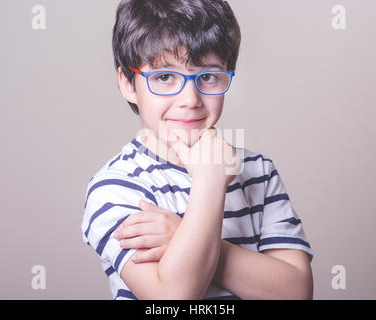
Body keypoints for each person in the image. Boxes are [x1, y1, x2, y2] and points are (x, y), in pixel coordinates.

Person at [81, 0, 314, 300]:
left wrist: (181, 236)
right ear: (128, 83)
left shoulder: (258, 171)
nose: (190, 99)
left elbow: (297, 292)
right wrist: (209, 184)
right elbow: (172, 298)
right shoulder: (116, 187)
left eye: (207, 76)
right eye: (164, 77)